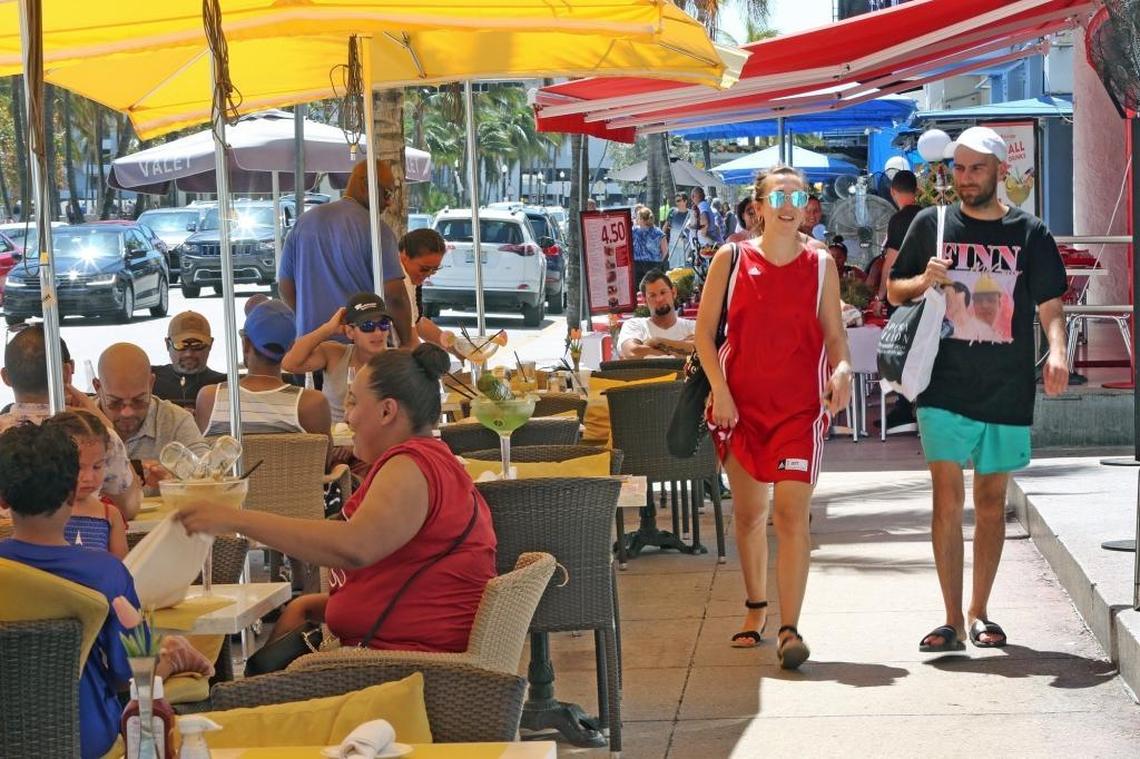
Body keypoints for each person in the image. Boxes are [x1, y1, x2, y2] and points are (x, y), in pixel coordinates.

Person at [178, 344, 497, 653]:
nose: (347, 417)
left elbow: (354, 546)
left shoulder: (410, 465)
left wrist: (236, 519)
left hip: (408, 664)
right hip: (405, 650)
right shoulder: (431, 460)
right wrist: (310, 606)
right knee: (293, 618)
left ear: (387, 411)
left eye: (353, 402)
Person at [888, 127, 1069, 652]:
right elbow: (894, 290)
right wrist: (924, 280)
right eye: (958, 169)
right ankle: (950, 620)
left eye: (976, 169)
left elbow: (1050, 304)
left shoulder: (1030, 232)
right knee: (947, 499)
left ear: (1000, 171)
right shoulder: (932, 223)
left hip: (1006, 385)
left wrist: (1058, 350)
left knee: (991, 502)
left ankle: (979, 612)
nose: (965, 179)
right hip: (942, 383)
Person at [696, 166, 851, 669]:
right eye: (778, 196)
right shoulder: (731, 258)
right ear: (758, 206)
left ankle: (790, 629)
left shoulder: (821, 264)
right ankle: (756, 605)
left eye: (798, 197)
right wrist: (720, 392)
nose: (788, 206)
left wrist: (843, 370)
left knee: (789, 516)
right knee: (748, 515)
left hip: (800, 412)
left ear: (808, 207)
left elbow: (835, 336)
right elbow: (703, 336)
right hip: (740, 408)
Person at [0, 423, 213, 759]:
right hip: (87, 739)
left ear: (2, 498)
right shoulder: (107, 575)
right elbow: (130, 673)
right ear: (72, 492)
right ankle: (174, 655)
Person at [0, 326, 141, 520]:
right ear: (67, 371)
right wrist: (106, 425)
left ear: (5, 377)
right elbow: (129, 507)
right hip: (78, 538)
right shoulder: (95, 435)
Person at [278, 159, 415, 349]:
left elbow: (285, 287)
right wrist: (407, 344)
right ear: (365, 184)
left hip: (311, 348)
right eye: (387, 193)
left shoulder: (303, 223)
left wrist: (312, 323)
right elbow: (394, 297)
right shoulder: (377, 230)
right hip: (358, 349)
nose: (389, 202)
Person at [196, 300, 331, 439]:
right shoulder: (312, 404)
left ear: (246, 344)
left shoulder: (210, 399)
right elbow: (325, 453)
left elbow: (200, 451)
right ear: (290, 347)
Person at [282, 292, 391, 425]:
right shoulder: (335, 355)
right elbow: (289, 363)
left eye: (384, 324)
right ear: (350, 332)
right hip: (336, 435)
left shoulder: (399, 362)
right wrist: (328, 328)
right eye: (367, 326)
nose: (378, 332)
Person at [95, 343, 202, 476]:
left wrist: (173, 481)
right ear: (97, 387)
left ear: (151, 384)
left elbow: (207, 476)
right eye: (115, 402)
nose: (127, 412)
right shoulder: (78, 423)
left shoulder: (176, 421)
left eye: (139, 400)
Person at [876, 169, 924, 433]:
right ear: (916, 190)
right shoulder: (929, 216)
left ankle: (904, 407)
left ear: (893, 192)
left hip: (902, 293)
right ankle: (919, 405)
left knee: (902, 352)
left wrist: (880, 295)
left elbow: (891, 260)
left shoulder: (897, 220)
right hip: (928, 292)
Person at [43, 410, 128, 559]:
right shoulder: (40, 513)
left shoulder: (110, 515)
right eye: (77, 468)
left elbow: (121, 567)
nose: (89, 478)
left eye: (97, 466)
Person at [397, 228, 460, 350]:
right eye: (424, 269)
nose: (429, 274)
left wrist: (456, 348)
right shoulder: (400, 279)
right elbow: (410, 338)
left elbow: (417, 323)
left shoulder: (410, 277)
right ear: (404, 256)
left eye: (435, 269)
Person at [151, 311, 226, 409]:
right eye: (181, 345)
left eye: (197, 345)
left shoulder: (224, 385)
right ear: (167, 344)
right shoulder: (150, 380)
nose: (189, 354)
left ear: (210, 344)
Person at [618, 270, 695, 359]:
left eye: (663, 292)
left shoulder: (692, 327)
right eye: (652, 295)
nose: (659, 299)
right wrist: (683, 349)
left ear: (673, 292)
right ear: (644, 300)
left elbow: (701, 349)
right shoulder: (635, 325)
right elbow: (632, 351)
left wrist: (657, 342)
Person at [631, 207, 668, 285]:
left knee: (638, 288)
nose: (636, 219)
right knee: (652, 287)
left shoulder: (634, 231)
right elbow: (665, 251)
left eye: (638, 217)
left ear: (641, 219)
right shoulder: (659, 232)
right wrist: (659, 261)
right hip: (653, 264)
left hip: (637, 264)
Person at [664, 193, 691, 268]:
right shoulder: (672, 212)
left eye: (679, 200)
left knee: (683, 269)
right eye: (676, 201)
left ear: (685, 201)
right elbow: (665, 227)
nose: (677, 203)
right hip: (673, 245)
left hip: (685, 247)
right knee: (672, 268)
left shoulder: (691, 214)